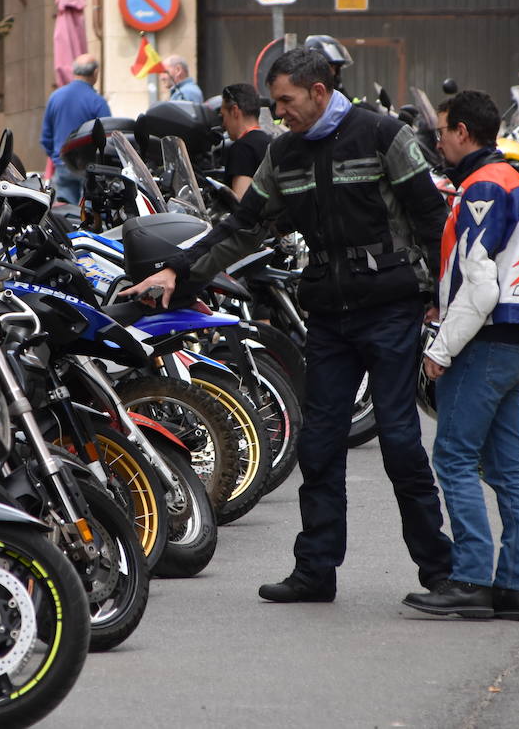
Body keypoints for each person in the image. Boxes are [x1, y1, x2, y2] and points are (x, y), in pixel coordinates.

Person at [124, 48, 453, 604]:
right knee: (319, 445)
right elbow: (241, 228)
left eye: (286, 101)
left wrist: (444, 299)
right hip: (329, 317)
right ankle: (315, 571)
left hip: (391, 311)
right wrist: (177, 274)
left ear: (319, 92)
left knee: (400, 443)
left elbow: (432, 219)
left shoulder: (381, 135)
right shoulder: (284, 153)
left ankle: (439, 572)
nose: (278, 114)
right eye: (274, 103)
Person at [401, 90, 519, 621]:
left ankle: (468, 579)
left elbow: (480, 286)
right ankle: (515, 588)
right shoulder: (517, 181)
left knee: (454, 458)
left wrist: (440, 350)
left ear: (463, 131)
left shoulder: (482, 186)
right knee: (509, 471)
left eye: (442, 131)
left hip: (486, 340)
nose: (438, 140)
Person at [40, 53, 110, 204]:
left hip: (63, 165)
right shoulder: (97, 101)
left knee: (67, 215)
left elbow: (46, 137)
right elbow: (108, 137)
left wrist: (57, 157)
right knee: (89, 214)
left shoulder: (55, 97)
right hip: (91, 168)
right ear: (96, 72)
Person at [219, 82, 271, 200]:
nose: (223, 124)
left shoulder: (242, 148)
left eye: (223, 116)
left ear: (235, 111)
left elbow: (240, 201)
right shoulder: (270, 142)